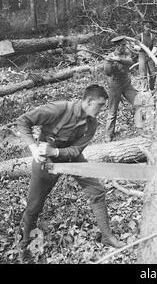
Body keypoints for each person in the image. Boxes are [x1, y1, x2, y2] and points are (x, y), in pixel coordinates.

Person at [17, 84, 125, 259]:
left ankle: (107, 236)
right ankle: (25, 241)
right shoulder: (58, 109)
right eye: (100, 105)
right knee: (34, 205)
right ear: (88, 101)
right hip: (46, 161)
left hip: (70, 158)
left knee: (97, 191)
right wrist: (33, 148)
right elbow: (23, 121)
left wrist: (57, 152)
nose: (101, 110)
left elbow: (76, 150)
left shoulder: (92, 123)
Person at [104, 37, 139, 142]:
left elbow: (130, 61)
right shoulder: (110, 56)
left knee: (138, 102)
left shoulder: (126, 54)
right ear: (117, 46)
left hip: (126, 84)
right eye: (122, 45)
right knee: (112, 111)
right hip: (114, 86)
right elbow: (107, 73)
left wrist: (119, 60)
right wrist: (110, 63)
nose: (124, 47)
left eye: (124, 45)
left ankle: (140, 127)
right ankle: (108, 135)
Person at [137, 21, 157, 91]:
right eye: (147, 27)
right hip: (142, 54)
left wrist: (152, 53)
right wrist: (139, 47)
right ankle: (144, 88)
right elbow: (134, 45)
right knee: (143, 72)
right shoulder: (140, 36)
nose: (148, 29)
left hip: (150, 56)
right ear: (144, 27)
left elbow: (155, 46)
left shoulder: (152, 36)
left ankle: (152, 87)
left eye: (149, 27)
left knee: (153, 72)